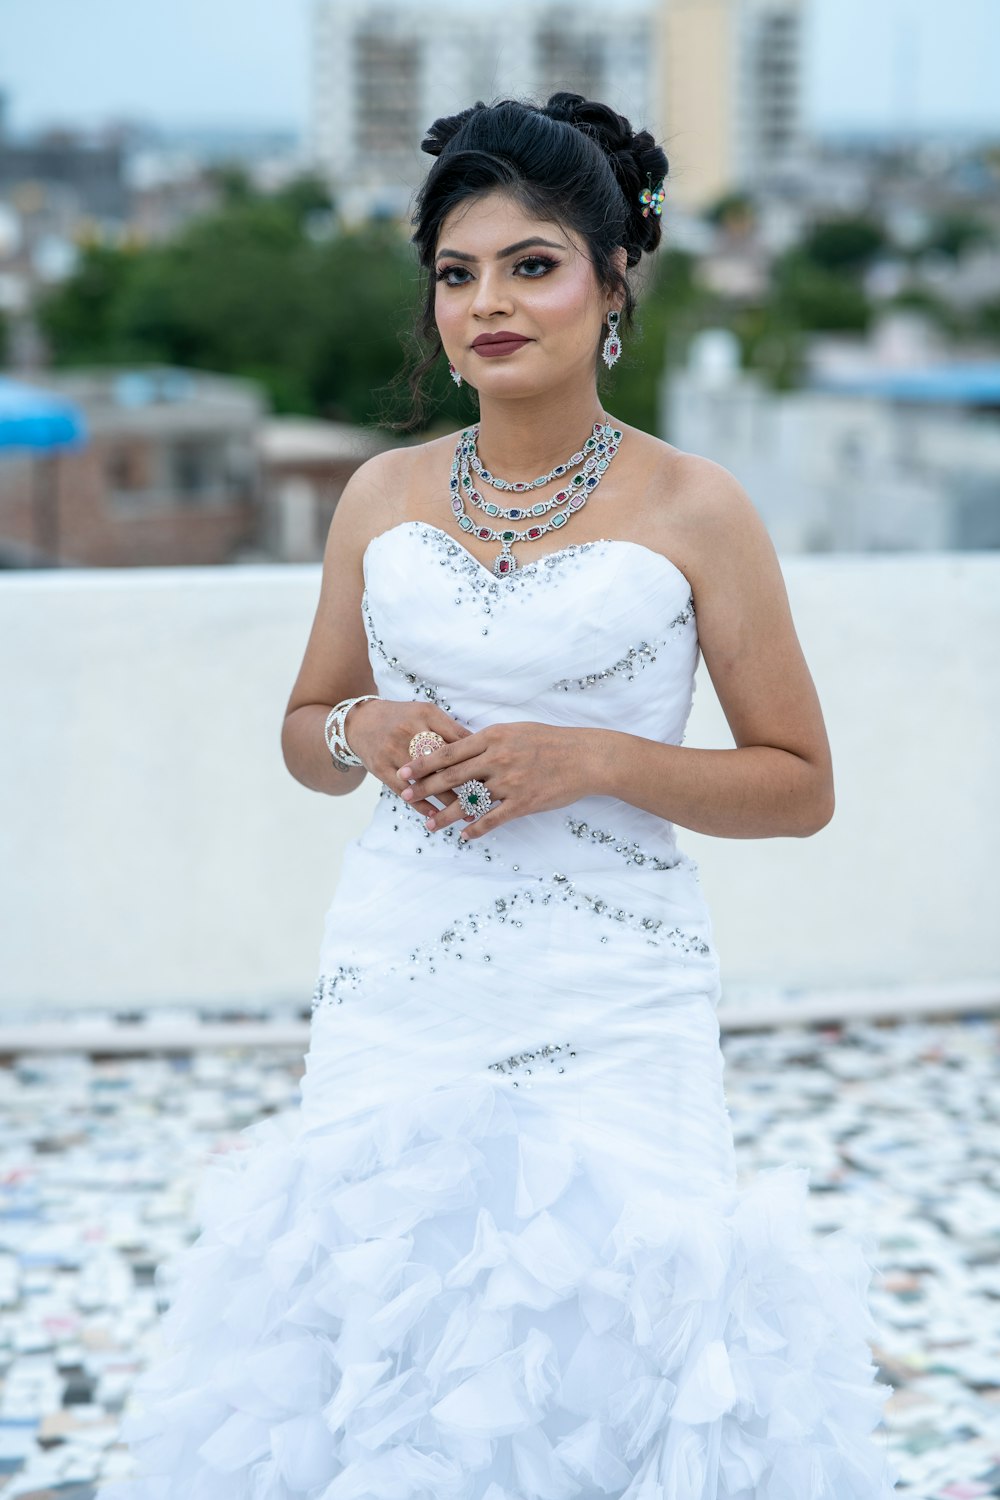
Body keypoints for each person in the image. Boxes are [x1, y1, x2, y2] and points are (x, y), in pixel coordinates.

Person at [101, 94, 899, 1498]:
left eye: (532, 264)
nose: (489, 303)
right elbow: (301, 730)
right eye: (457, 273)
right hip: (401, 971)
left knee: (618, 1332)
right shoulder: (379, 496)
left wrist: (587, 758)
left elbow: (801, 783)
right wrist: (367, 722)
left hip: (614, 988)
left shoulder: (694, 506)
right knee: (386, 1321)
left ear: (610, 280)